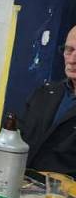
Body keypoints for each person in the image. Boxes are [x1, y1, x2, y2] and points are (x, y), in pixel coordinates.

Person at [22, 25, 76, 176]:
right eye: (69, 50)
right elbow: (19, 137)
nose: (72, 60)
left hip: (65, 190)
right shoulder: (45, 93)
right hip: (25, 184)